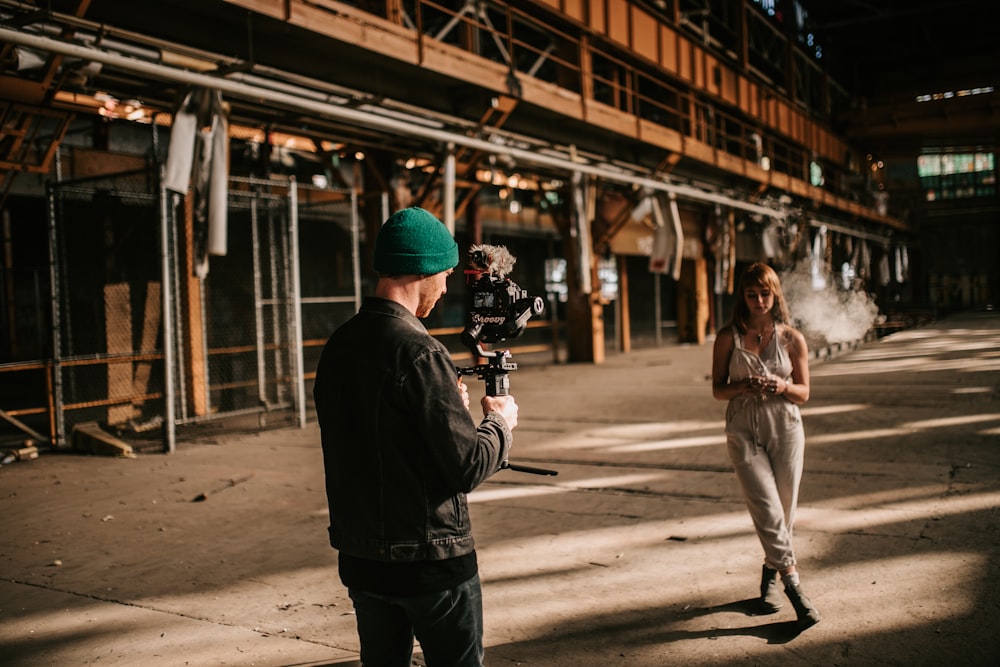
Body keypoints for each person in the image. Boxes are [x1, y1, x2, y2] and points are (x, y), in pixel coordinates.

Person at [313, 206, 519, 667]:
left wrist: (443, 406)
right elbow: (466, 466)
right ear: (424, 271)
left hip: (362, 559)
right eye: (445, 274)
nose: (446, 287)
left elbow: (372, 432)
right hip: (431, 564)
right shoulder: (422, 352)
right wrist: (499, 423)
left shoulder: (340, 346)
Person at [711, 262, 821, 629]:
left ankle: (768, 576)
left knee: (784, 511)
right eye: (751, 294)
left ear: (775, 295)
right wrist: (743, 387)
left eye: (765, 293)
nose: (758, 300)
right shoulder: (728, 336)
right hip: (742, 427)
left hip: (785, 425)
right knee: (766, 505)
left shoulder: (792, 338)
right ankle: (794, 587)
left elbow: (804, 393)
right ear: (741, 297)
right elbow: (717, 389)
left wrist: (781, 386)